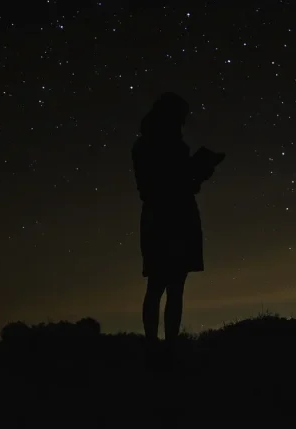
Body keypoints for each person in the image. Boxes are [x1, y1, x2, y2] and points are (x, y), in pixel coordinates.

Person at [131, 92, 225, 369]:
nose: (185, 122)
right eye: (182, 116)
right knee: (173, 286)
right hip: (176, 216)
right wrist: (202, 169)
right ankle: (168, 346)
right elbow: (182, 181)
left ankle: (153, 344)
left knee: (157, 284)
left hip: (157, 216)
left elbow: (150, 186)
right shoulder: (172, 147)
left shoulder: (142, 146)